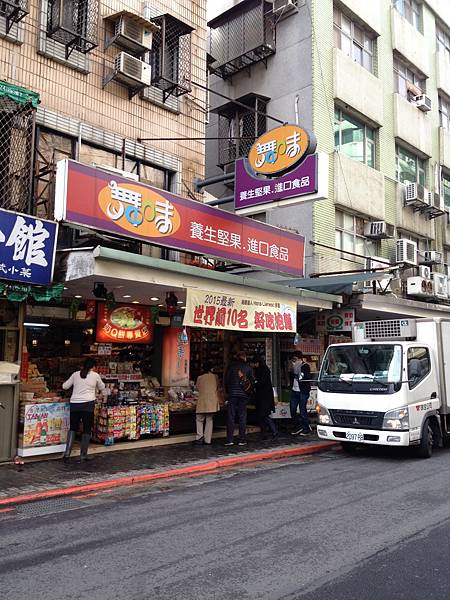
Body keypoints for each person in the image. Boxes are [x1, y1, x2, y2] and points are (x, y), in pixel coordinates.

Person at [62, 358, 105, 462]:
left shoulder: (75, 374)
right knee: (86, 429)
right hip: (88, 405)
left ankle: (67, 454)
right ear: (93, 367)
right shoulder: (95, 375)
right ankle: (83, 455)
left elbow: (65, 386)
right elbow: (102, 387)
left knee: (73, 428)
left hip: (75, 404)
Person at [224, 351, 254, 446]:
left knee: (231, 416)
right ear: (244, 357)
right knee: (242, 416)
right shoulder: (248, 367)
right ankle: (242, 439)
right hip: (244, 395)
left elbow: (226, 380)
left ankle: (230, 439)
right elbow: (252, 381)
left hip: (232, 394)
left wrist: (228, 392)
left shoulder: (231, 367)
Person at [195, 363, 221, 445]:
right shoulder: (215, 377)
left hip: (202, 401)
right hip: (212, 402)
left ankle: (199, 437)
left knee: (199, 419)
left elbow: (197, 388)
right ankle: (208, 440)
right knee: (209, 420)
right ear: (211, 369)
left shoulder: (200, 378)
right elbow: (218, 387)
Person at [254, 355, 278, 441]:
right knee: (263, 416)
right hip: (265, 397)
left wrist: (255, 383)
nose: (254, 365)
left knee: (263, 415)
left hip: (263, 397)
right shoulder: (265, 370)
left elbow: (260, 383)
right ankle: (265, 433)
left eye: (255, 363)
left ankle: (273, 431)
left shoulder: (261, 371)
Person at [289, 351, 312, 435]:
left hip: (303, 391)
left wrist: (298, 374)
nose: (294, 361)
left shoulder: (305, 366)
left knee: (302, 410)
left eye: (295, 359)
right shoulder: (293, 367)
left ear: (299, 359)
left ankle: (306, 428)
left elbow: (306, 377)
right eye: (293, 360)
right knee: (292, 409)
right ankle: (298, 426)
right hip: (294, 391)